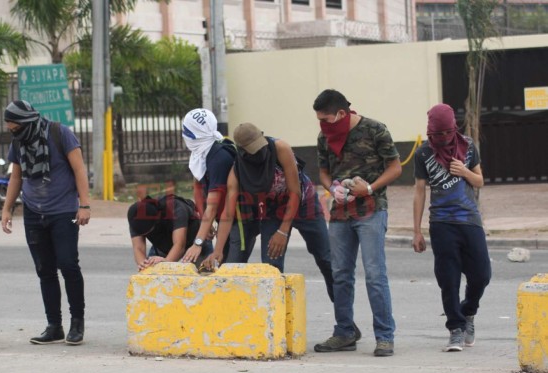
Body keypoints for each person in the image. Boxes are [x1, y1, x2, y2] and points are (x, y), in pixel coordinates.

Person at [201, 122, 354, 319]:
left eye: (260, 146)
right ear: (242, 151)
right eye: (253, 150)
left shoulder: (280, 148)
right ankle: (277, 323)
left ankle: (345, 324)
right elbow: (228, 215)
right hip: (273, 212)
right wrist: (218, 250)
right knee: (271, 267)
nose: (260, 152)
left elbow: (294, 191)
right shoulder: (236, 172)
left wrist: (283, 231)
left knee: (326, 259)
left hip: (304, 204)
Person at [312, 89, 401, 357]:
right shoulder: (324, 137)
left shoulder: (374, 129)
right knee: (340, 275)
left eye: (326, 119)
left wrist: (370, 188)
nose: (323, 125)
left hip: (371, 211)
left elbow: (395, 167)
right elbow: (325, 172)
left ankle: (384, 336)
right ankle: (344, 332)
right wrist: (333, 188)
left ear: (341, 113)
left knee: (375, 275)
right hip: (340, 214)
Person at [0, 100, 91, 346]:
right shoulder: (19, 141)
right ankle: (54, 326)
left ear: (26, 122)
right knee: (45, 270)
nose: (12, 131)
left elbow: (79, 169)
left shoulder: (60, 133)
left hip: (63, 211)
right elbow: (16, 176)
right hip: (33, 213)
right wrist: (7, 209)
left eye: (14, 126)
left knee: (68, 265)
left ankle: (77, 323)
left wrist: (84, 204)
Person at [413, 103, 491, 352]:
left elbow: (480, 180)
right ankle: (455, 329)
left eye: (447, 133)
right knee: (448, 279)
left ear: (454, 129)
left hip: (469, 219)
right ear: (430, 133)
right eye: (438, 135)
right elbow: (419, 191)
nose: (444, 139)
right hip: (441, 222)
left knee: (481, 275)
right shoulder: (424, 152)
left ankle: (468, 312)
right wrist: (416, 230)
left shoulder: (467, 146)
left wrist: (465, 171)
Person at [179, 108, 235, 265]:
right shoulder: (201, 150)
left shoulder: (219, 157)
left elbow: (213, 206)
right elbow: (197, 187)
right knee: (221, 267)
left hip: (238, 220)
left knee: (230, 269)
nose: (184, 135)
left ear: (195, 134)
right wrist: (206, 222)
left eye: (186, 131)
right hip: (222, 217)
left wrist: (198, 243)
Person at [128, 194, 210, 270]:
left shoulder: (176, 208)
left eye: (148, 232)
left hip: (194, 246)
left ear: (157, 219)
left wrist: (165, 263)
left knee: (202, 279)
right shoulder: (135, 216)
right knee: (150, 277)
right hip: (163, 248)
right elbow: (138, 248)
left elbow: (179, 245)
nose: (145, 235)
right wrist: (144, 265)